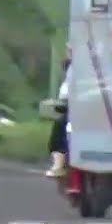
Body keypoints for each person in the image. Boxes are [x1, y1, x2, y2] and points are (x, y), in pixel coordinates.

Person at [45, 46, 73, 177]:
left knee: (61, 124)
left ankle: (59, 164)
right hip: (69, 105)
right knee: (60, 124)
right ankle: (59, 163)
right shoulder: (70, 68)